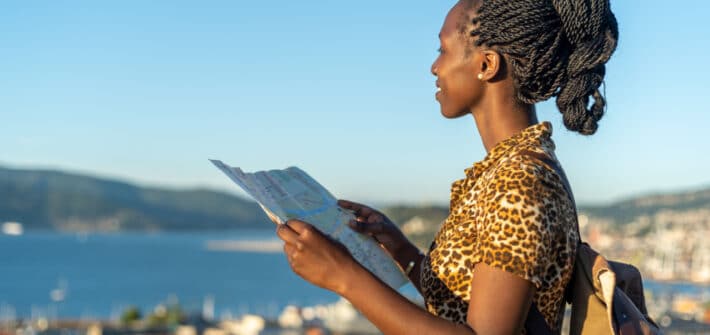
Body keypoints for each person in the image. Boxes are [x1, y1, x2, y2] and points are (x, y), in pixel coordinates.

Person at [275, 0, 618, 333]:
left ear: (487, 64)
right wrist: (401, 248)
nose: (434, 67)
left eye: (443, 50)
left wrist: (342, 275)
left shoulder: (521, 182)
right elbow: (462, 307)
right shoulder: (508, 169)